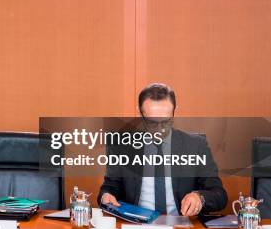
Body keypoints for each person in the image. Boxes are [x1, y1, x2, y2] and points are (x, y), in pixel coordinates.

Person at [97, 83, 227, 216]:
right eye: (152, 122)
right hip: (137, 226)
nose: (160, 129)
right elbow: (110, 187)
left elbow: (219, 195)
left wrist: (200, 197)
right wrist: (106, 196)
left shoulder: (195, 145)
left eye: (166, 121)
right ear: (140, 113)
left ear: (175, 111)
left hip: (181, 227)